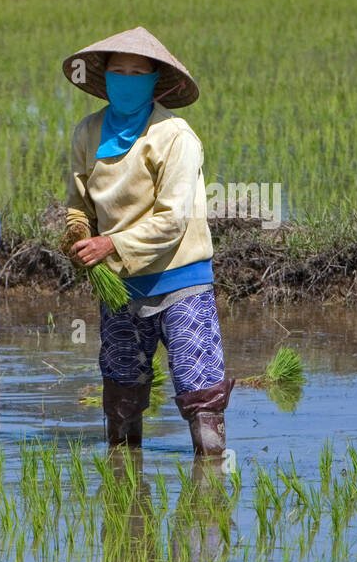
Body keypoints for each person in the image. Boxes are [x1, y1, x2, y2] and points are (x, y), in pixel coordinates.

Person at [59, 27, 233, 456]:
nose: (127, 79)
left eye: (139, 72)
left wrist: (110, 245)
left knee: (199, 390)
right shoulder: (88, 132)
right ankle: (124, 485)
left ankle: (209, 479)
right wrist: (79, 234)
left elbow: (172, 219)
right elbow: (78, 204)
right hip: (119, 283)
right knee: (122, 388)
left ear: (155, 81)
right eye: (119, 71)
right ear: (105, 76)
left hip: (179, 279)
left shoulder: (175, 136)